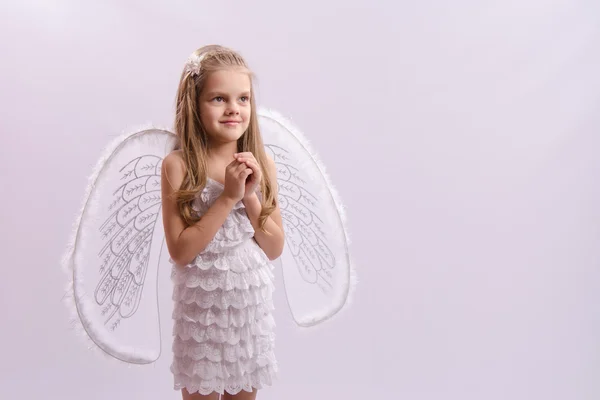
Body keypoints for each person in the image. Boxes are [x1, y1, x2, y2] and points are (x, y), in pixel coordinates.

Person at [160, 44, 284, 400]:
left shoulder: (263, 163)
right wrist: (227, 197)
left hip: (249, 309)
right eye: (219, 99)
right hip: (203, 316)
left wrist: (249, 195)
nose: (234, 108)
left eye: (243, 98)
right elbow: (181, 251)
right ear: (194, 104)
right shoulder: (179, 167)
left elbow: (274, 247)